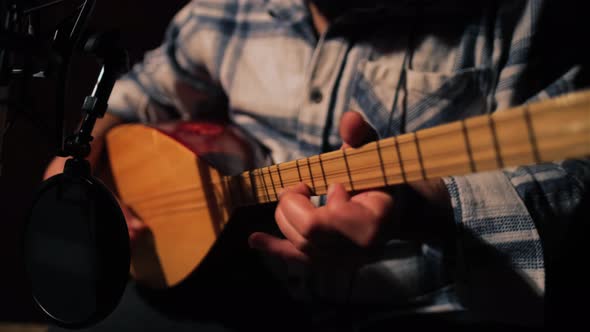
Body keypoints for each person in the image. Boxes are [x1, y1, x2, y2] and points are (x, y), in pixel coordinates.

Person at [44, 0, 589, 330]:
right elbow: (131, 101)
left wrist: (420, 208)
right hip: (242, 284)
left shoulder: (524, 15)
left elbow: (572, 176)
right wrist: (77, 166)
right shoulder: (221, 12)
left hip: (428, 307)